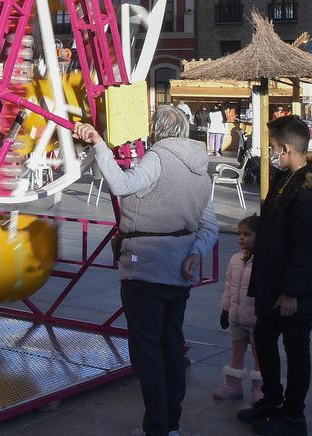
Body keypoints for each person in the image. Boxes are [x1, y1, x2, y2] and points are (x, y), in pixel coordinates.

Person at [76, 107, 218, 436]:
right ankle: (171, 424)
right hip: (179, 271)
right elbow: (208, 225)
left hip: (146, 267)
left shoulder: (158, 156)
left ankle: (156, 427)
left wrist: (99, 143)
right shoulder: (200, 169)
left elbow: (122, 185)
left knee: (148, 353)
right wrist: (196, 252)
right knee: (171, 347)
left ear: (156, 129)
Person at [240, 115, 312, 436]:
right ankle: (272, 400)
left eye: (273, 148)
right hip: (273, 280)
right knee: (265, 338)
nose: (272, 153)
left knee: (297, 348)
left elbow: (306, 247)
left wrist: (292, 292)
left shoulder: (309, 189)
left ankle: (294, 416)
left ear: (286, 147)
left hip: (294, 289)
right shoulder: (287, 178)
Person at [214, 215, 262, 403]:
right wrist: (225, 310)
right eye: (240, 234)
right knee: (237, 350)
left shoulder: (264, 261)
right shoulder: (236, 259)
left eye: (247, 234)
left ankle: (260, 387)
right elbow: (229, 288)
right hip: (237, 317)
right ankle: (233, 385)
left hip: (257, 319)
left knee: (261, 354)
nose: (241, 238)